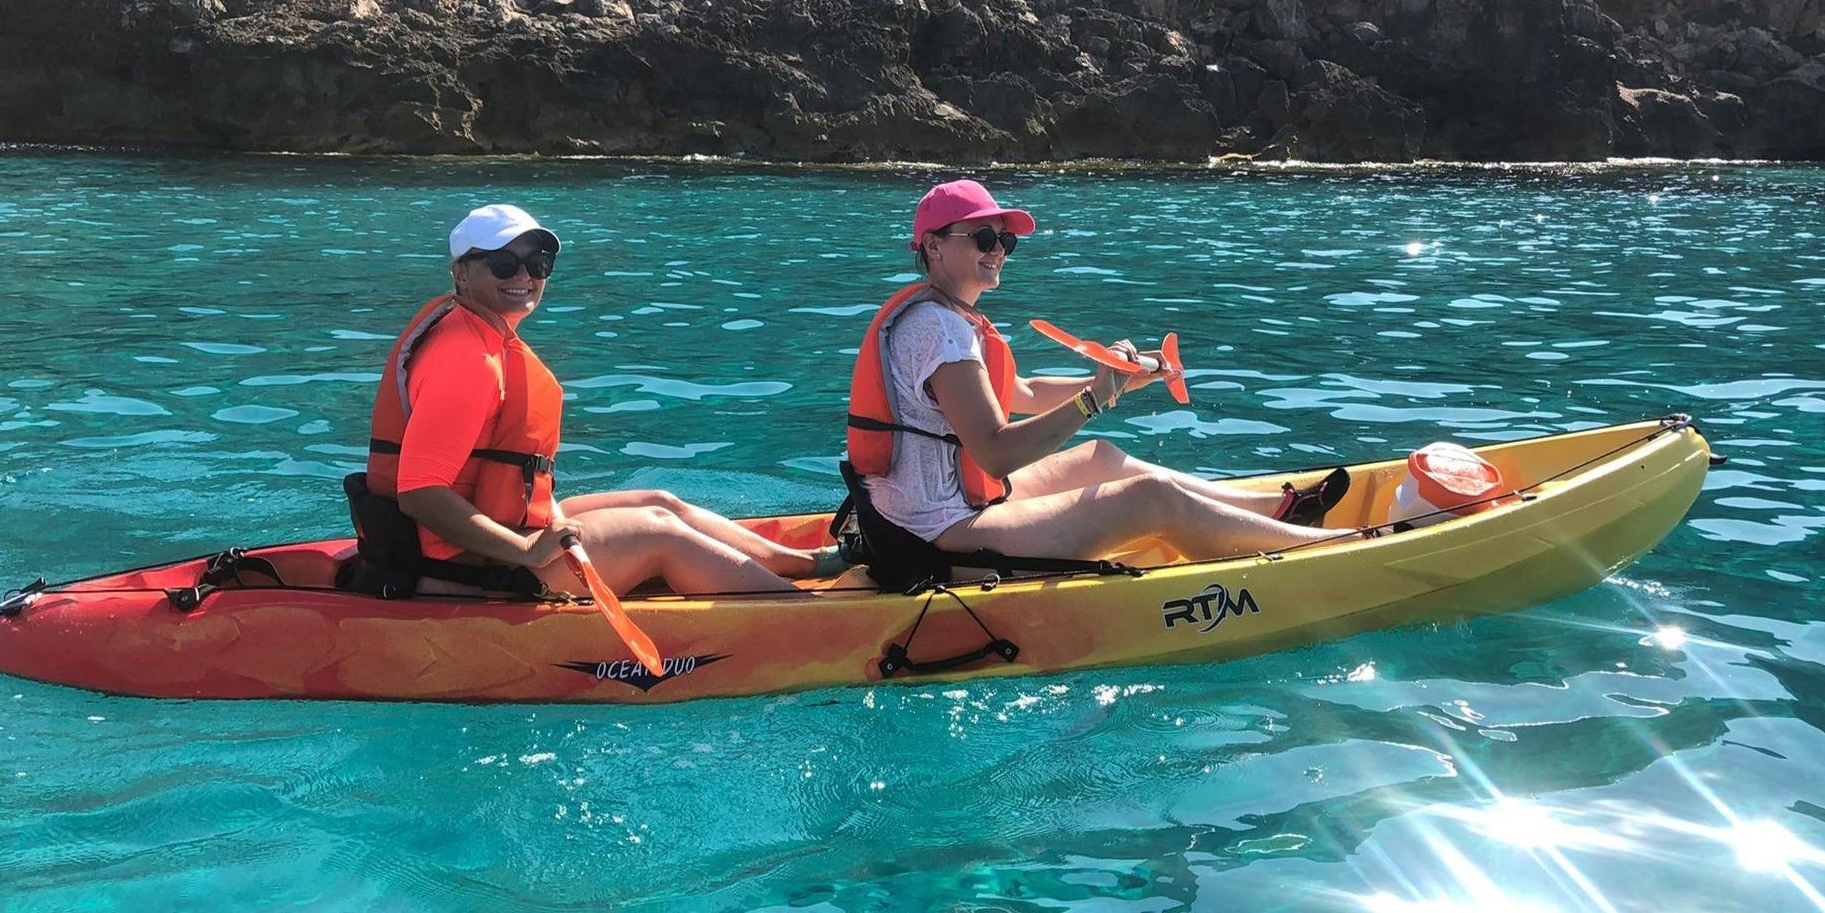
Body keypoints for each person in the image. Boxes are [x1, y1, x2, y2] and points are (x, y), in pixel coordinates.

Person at [844, 179, 1357, 579]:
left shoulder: (945, 317)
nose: (997, 249)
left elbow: (1022, 394)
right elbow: (996, 454)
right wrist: (1092, 399)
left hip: (931, 514)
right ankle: (1331, 554)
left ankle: (1280, 509)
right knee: (1152, 497)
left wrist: (1119, 380)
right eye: (982, 237)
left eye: (1004, 240)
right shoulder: (938, 328)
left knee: (1101, 457)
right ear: (933, 247)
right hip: (930, 537)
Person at [352, 203, 838, 598]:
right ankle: (811, 617)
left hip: (486, 543)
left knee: (659, 501)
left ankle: (809, 564)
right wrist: (526, 551)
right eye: (503, 263)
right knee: (658, 531)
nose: (524, 275)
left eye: (537, 264)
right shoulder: (468, 361)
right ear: (460, 273)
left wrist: (544, 524)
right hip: (470, 568)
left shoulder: (477, 336)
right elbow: (420, 493)